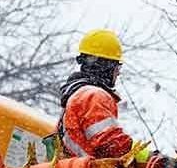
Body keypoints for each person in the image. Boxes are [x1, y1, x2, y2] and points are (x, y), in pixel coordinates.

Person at [57, 29, 150, 161]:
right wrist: (153, 159)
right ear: (106, 66)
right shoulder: (94, 96)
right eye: (117, 67)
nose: (118, 74)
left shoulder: (76, 96)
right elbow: (113, 145)